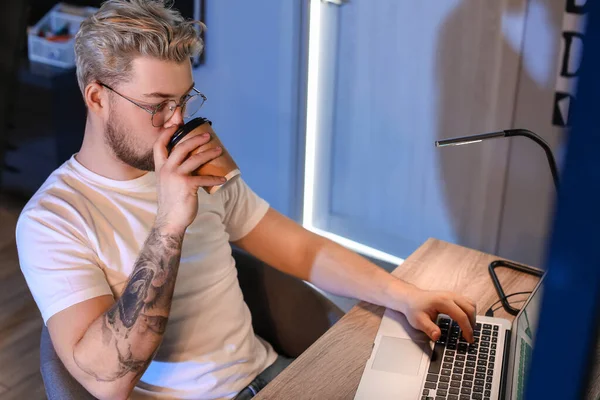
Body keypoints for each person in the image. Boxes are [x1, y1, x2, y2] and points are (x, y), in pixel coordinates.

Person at [16, 1, 476, 399]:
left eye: (184, 100)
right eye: (157, 105)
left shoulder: (197, 158)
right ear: (97, 97)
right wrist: (170, 225)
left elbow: (297, 248)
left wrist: (404, 293)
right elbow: (106, 380)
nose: (176, 122)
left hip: (273, 375)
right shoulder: (53, 220)